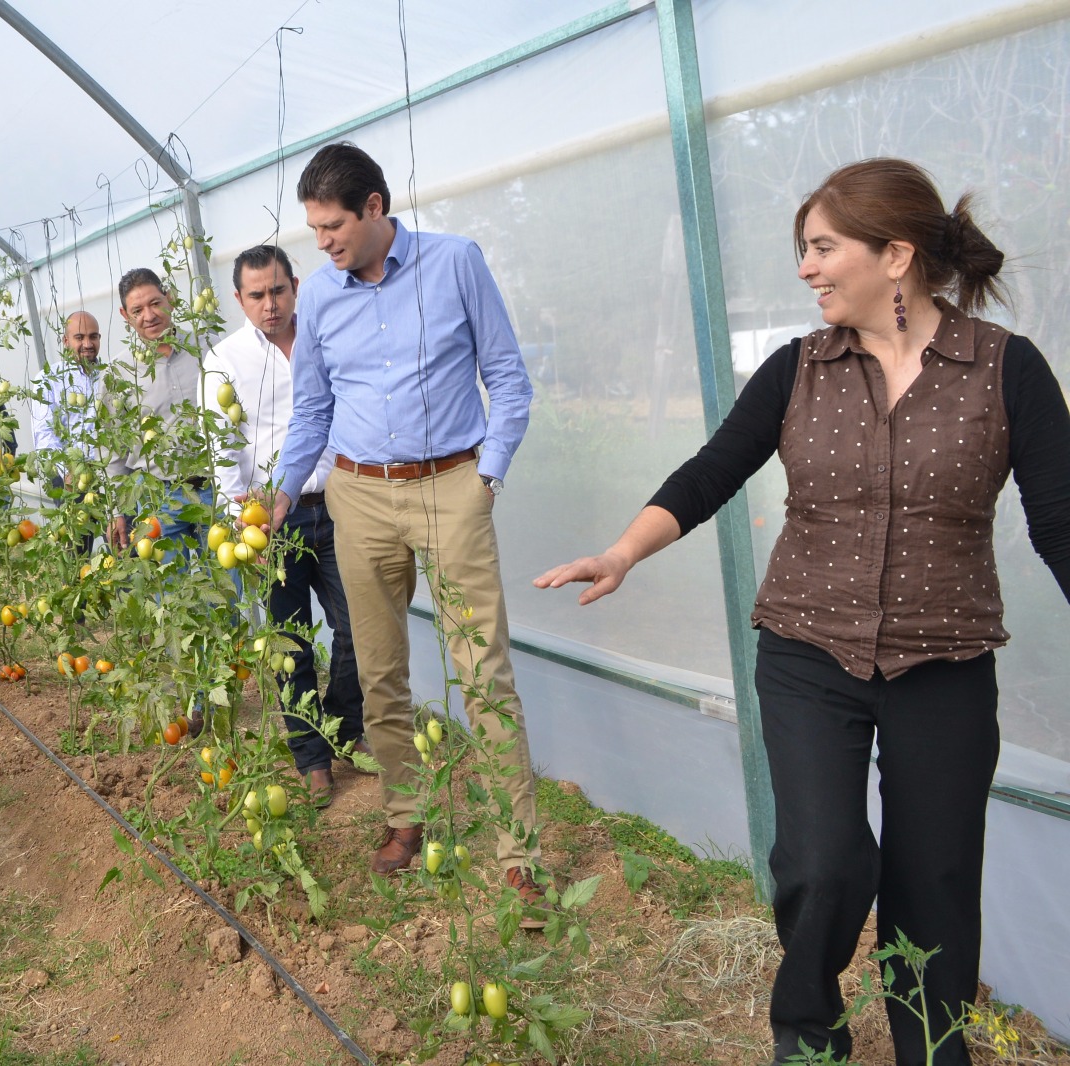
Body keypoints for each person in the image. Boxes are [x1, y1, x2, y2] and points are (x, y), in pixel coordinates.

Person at [535, 158, 1070, 1066]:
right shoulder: (798, 371)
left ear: (894, 254)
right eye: (804, 250)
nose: (806, 268)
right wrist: (625, 550)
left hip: (943, 663)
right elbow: (713, 470)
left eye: (823, 248)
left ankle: (932, 1049)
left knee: (933, 882)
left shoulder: (1004, 370)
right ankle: (810, 1034)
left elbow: (1058, 517)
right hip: (807, 655)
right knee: (823, 864)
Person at [268, 143, 546, 920]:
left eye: (332, 226)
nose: (321, 244)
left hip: (452, 483)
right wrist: (285, 491)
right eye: (314, 228)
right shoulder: (320, 299)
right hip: (360, 493)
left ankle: (519, 853)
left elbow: (508, 378)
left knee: (482, 668)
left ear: (376, 208)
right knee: (380, 670)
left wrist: (485, 477)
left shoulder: (457, 264)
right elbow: (314, 410)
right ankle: (404, 816)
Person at [204, 245, 368, 807]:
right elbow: (222, 448)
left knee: (357, 629)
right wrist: (239, 523)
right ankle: (311, 756)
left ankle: (345, 726)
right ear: (238, 299)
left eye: (277, 291)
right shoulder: (224, 360)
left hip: (341, 502)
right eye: (256, 295)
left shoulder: (326, 335)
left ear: (294, 286)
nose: (269, 305)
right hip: (271, 520)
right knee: (289, 641)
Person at [104, 269, 211, 552]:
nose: (148, 316)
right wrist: (118, 511)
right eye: (137, 310)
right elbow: (114, 449)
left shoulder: (207, 347)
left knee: (230, 589)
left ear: (170, 299)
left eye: (155, 303)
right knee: (169, 587)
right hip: (158, 498)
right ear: (125, 315)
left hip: (213, 488)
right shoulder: (118, 373)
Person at [32, 312, 102, 556]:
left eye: (93, 337)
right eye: (79, 337)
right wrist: (67, 471)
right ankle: (77, 591)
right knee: (77, 547)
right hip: (70, 478)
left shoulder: (110, 375)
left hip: (108, 472)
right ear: (65, 341)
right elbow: (43, 433)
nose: (87, 344)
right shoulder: (49, 379)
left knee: (123, 541)